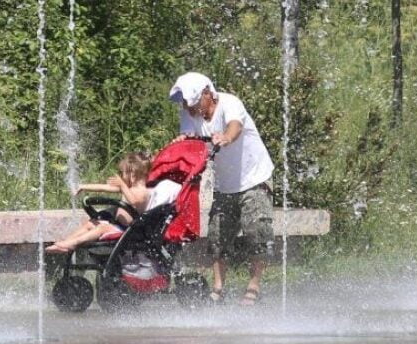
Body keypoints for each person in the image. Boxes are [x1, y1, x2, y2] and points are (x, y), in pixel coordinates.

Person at [168, 71, 274, 306]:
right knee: (217, 237)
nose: (188, 107)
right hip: (224, 184)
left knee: (256, 232)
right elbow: (188, 137)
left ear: (207, 93)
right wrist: (180, 144)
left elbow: (234, 126)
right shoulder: (189, 113)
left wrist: (226, 137)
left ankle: (254, 285)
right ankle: (218, 287)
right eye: (185, 103)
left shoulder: (230, 103)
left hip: (254, 178)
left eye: (192, 102)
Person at [46, 151, 166, 253]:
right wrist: (83, 186)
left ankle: (74, 243)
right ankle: (65, 242)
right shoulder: (128, 188)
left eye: (122, 173)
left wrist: (123, 187)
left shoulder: (144, 192)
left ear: (132, 174)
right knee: (92, 223)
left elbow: (135, 201)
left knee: (102, 228)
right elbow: (105, 187)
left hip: (130, 232)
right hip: (119, 226)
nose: (121, 176)